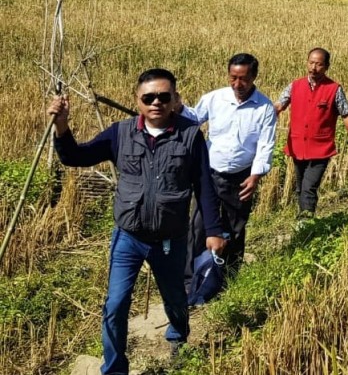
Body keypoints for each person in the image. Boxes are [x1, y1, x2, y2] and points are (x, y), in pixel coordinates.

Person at [48, 69, 226, 373]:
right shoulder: (120, 132)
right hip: (128, 236)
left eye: (163, 96)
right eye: (149, 97)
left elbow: (203, 186)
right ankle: (115, 367)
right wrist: (62, 126)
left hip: (171, 237)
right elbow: (76, 157)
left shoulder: (190, 135)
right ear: (138, 100)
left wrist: (213, 230)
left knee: (174, 299)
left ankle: (177, 337)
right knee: (115, 304)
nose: (156, 102)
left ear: (174, 100)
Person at [180, 53, 276, 276]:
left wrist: (256, 176)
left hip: (242, 177)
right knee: (198, 225)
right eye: (233, 77)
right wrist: (178, 107)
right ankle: (190, 278)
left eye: (243, 78)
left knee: (236, 227)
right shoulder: (215, 99)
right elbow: (194, 119)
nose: (237, 84)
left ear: (254, 76)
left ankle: (229, 276)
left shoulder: (264, 108)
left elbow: (265, 145)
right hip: (209, 174)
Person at [273, 48, 348, 217]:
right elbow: (280, 105)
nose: (313, 68)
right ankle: (304, 218)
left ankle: (305, 223)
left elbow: (346, 115)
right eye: (311, 63)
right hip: (297, 145)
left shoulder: (334, 89)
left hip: (321, 148)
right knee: (300, 187)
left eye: (319, 64)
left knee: (309, 187)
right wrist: (268, 113)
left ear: (327, 66)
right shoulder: (294, 86)